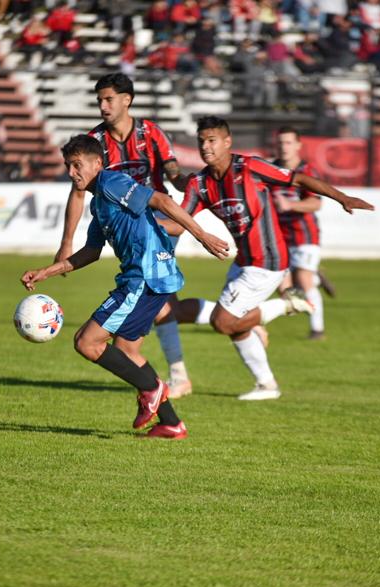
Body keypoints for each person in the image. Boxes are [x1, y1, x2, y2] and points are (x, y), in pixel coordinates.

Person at [21, 135, 230, 439]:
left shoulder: (110, 183)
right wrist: (48, 272)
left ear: (98, 164)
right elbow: (91, 251)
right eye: (68, 166)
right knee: (127, 350)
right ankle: (171, 423)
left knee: (86, 342)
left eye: (77, 165)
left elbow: (161, 200)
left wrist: (202, 235)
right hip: (150, 277)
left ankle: (153, 387)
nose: (71, 172)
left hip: (144, 277)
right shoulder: (100, 204)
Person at [179, 116, 374, 400]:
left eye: (211, 140)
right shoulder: (200, 183)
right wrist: (148, 218)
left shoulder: (250, 167)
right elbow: (181, 218)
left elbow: (300, 179)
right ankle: (266, 384)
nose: (205, 146)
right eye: (201, 141)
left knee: (223, 322)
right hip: (243, 261)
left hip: (268, 260)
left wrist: (341, 197)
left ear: (227, 142)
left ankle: (285, 304)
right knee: (235, 327)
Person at [52, 73, 201, 399]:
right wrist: (66, 243)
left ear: (127, 100)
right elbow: (78, 194)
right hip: (127, 226)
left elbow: (172, 177)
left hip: (157, 222)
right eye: (99, 100)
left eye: (108, 99)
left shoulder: (151, 133)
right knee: (159, 306)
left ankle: (171, 378)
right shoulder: (94, 142)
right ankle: (168, 382)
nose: (103, 106)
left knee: (156, 299)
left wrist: (192, 190)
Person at [270, 127, 329, 340]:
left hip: (304, 235)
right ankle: (316, 280)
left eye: (287, 143)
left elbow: (316, 203)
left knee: (303, 281)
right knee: (281, 286)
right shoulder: (270, 169)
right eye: (280, 143)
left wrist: (290, 204)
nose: (283, 147)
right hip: (279, 236)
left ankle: (317, 330)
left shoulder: (308, 171)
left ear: (298, 146)